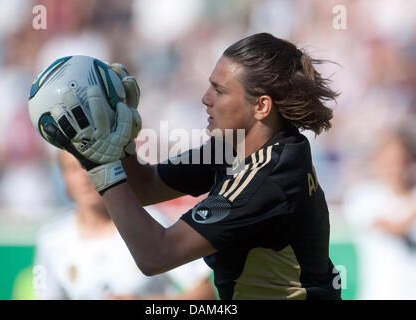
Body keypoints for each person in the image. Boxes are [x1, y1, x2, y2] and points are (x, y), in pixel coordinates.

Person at [41, 32, 341, 300]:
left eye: (219, 91)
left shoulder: (267, 178)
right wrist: (121, 143)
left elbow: (155, 255)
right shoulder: (234, 147)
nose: (205, 98)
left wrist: (100, 164)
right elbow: (145, 187)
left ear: (261, 106)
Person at [34, 150, 215, 300]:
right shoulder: (51, 239)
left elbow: (204, 294)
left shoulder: (150, 220)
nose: (83, 178)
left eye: (88, 167)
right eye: (73, 169)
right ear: (62, 177)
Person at [343, 130, 416, 299]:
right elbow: (394, 228)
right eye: (390, 160)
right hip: (380, 293)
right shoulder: (363, 195)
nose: (396, 167)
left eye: (401, 160)